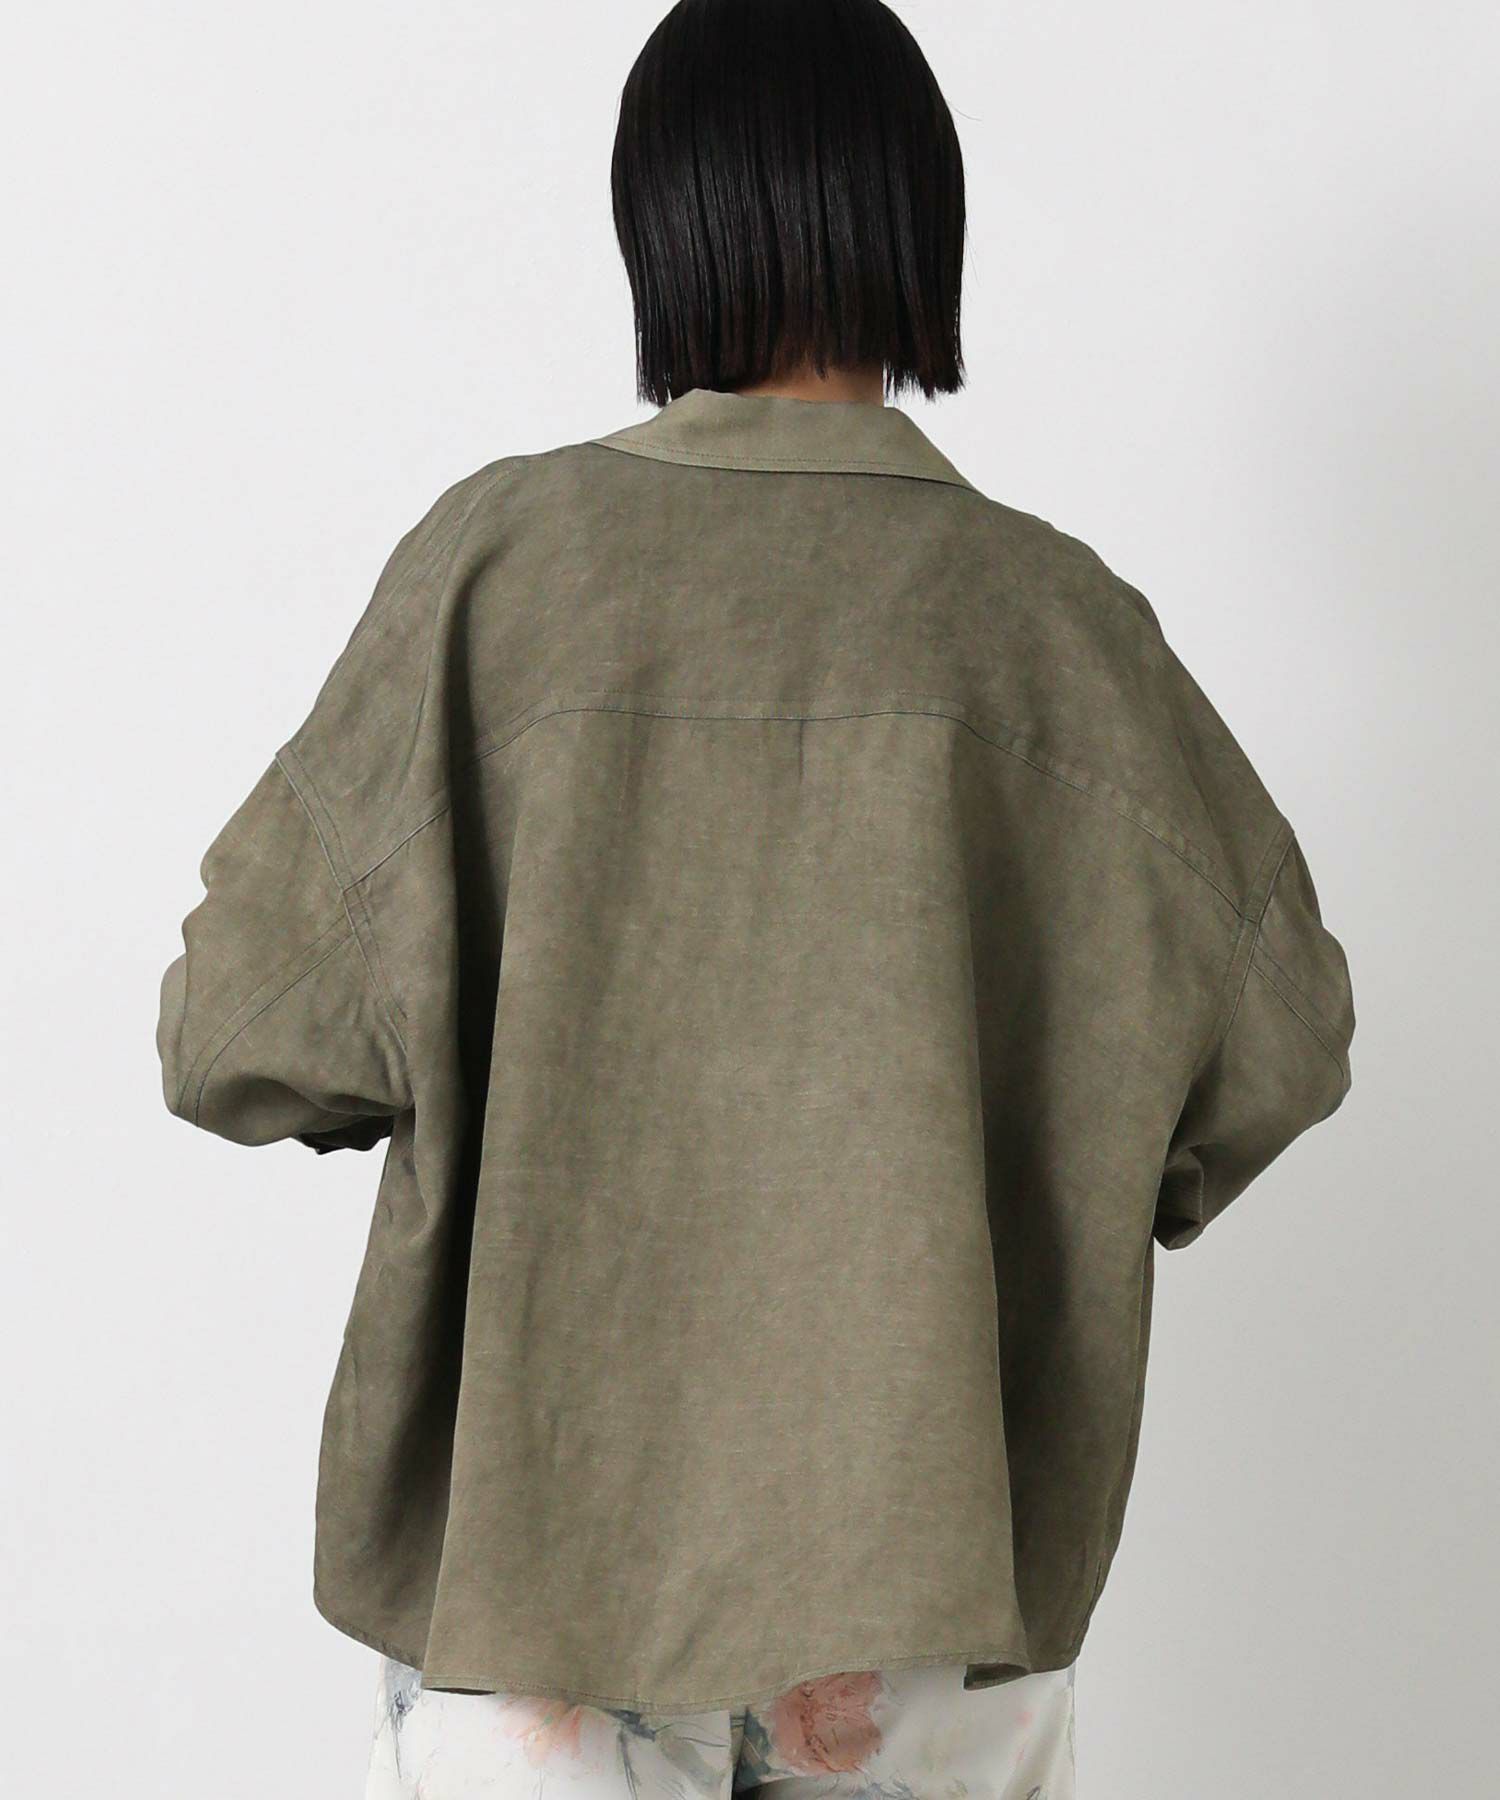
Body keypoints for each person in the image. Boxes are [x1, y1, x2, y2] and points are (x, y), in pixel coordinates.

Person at [154, 2, 1355, 1794]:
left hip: (542, 1571)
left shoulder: (502, 575)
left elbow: (234, 1033)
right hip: (932, 1578)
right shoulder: (1057, 627)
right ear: (919, 225)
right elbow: (1281, 1039)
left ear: (665, 228)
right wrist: (1063, 1148)